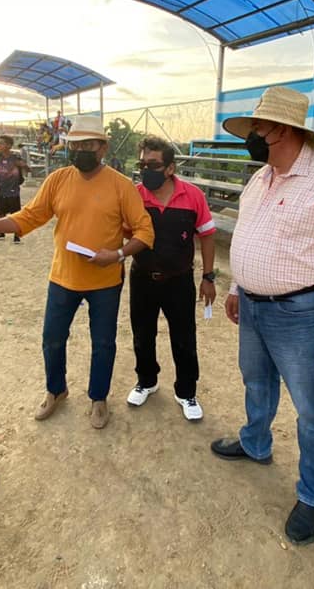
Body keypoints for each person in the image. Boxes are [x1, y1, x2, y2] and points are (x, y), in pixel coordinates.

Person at [210, 86, 314, 545]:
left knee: (312, 410)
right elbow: (249, 235)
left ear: (281, 130)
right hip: (254, 307)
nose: (252, 136)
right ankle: (255, 441)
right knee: (256, 382)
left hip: (303, 313)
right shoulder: (261, 178)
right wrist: (238, 287)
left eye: (257, 128)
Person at [0, 115, 154, 429]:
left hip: (105, 281)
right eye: (75, 145)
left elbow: (145, 232)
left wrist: (117, 254)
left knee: (103, 343)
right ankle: (56, 390)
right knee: (52, 338)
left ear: (102, 148)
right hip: (63, 277)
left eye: (88, 145)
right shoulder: (58, 180)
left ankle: (98, 397)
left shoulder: (121, 186)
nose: (80, 150)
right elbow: (29, 217)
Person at [126, 135, 217, 421]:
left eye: (153, 164)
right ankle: (146, 381)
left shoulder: (193, 196)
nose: (146, 170)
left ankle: (186, 391)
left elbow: (207, 236)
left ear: (170, 168)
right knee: (142, 333)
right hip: (142, 277)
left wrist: (208, 277)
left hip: (179, 280)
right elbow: (124, 232)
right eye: (143, 164)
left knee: (184, 337)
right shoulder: (135, 195)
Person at [0, 134, 28, 243]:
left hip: (13, 191)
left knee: (15, 214)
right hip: (1, 189)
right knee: (1, 212)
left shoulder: (15, 157)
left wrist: (23, 167)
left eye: (1, 143)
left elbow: (25, 166)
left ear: (9, 146)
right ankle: (1, 232)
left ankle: (16, 234)